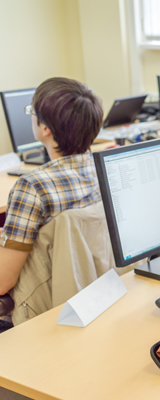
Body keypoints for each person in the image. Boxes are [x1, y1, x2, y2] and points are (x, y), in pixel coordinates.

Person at [0, 77, 103, 329]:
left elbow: (3, 281)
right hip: (96, 293)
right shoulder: (104, 168)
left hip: (40, 308)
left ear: (45, 128)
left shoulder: (33, 187)